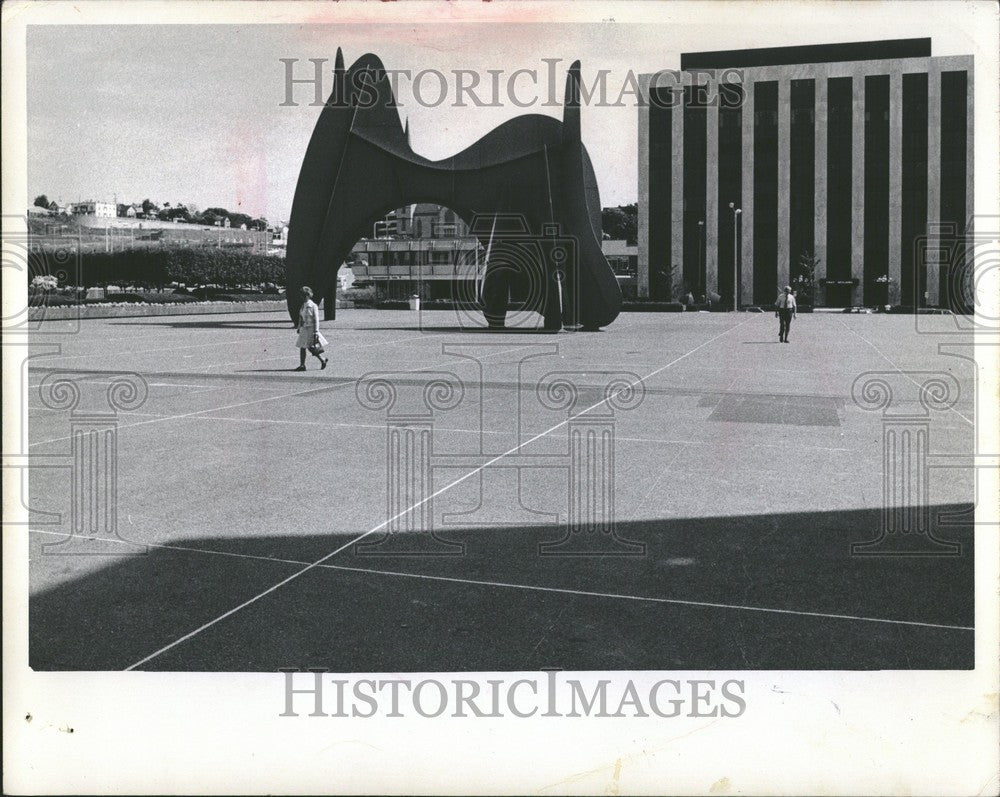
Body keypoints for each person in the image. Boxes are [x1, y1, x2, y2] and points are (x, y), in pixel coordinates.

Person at [294, 285, 328, 370]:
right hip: (304, 328)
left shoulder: (313, 306)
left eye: (304, 295)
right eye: (301, 295)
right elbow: (300, 318)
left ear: (308, 295)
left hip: (311, 329)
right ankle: (302, 365)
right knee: (302, 347)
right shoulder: (303, 305)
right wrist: (299, 327)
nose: (302, 297)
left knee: (310, 347)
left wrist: (316, 331)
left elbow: (316, 319)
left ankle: (322, 359)